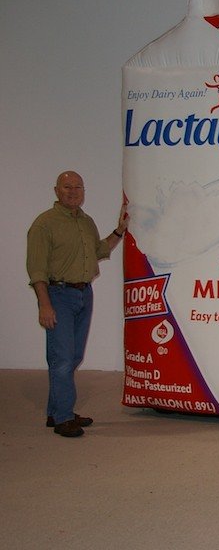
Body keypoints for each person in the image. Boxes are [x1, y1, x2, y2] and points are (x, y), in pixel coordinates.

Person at [26, 171, 128, 438]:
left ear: (84, 191)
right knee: (61, 359)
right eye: (67, 186)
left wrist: (119, 230)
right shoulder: (44, 224)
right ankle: (64, 418)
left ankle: (56, 411)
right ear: (56, 190)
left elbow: (99, 251)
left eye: (78, 187)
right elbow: (36, 269)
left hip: (84, 294)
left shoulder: (86, 221)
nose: (73, 191)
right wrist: (44, 305)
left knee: (73, 357)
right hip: (58, 295)